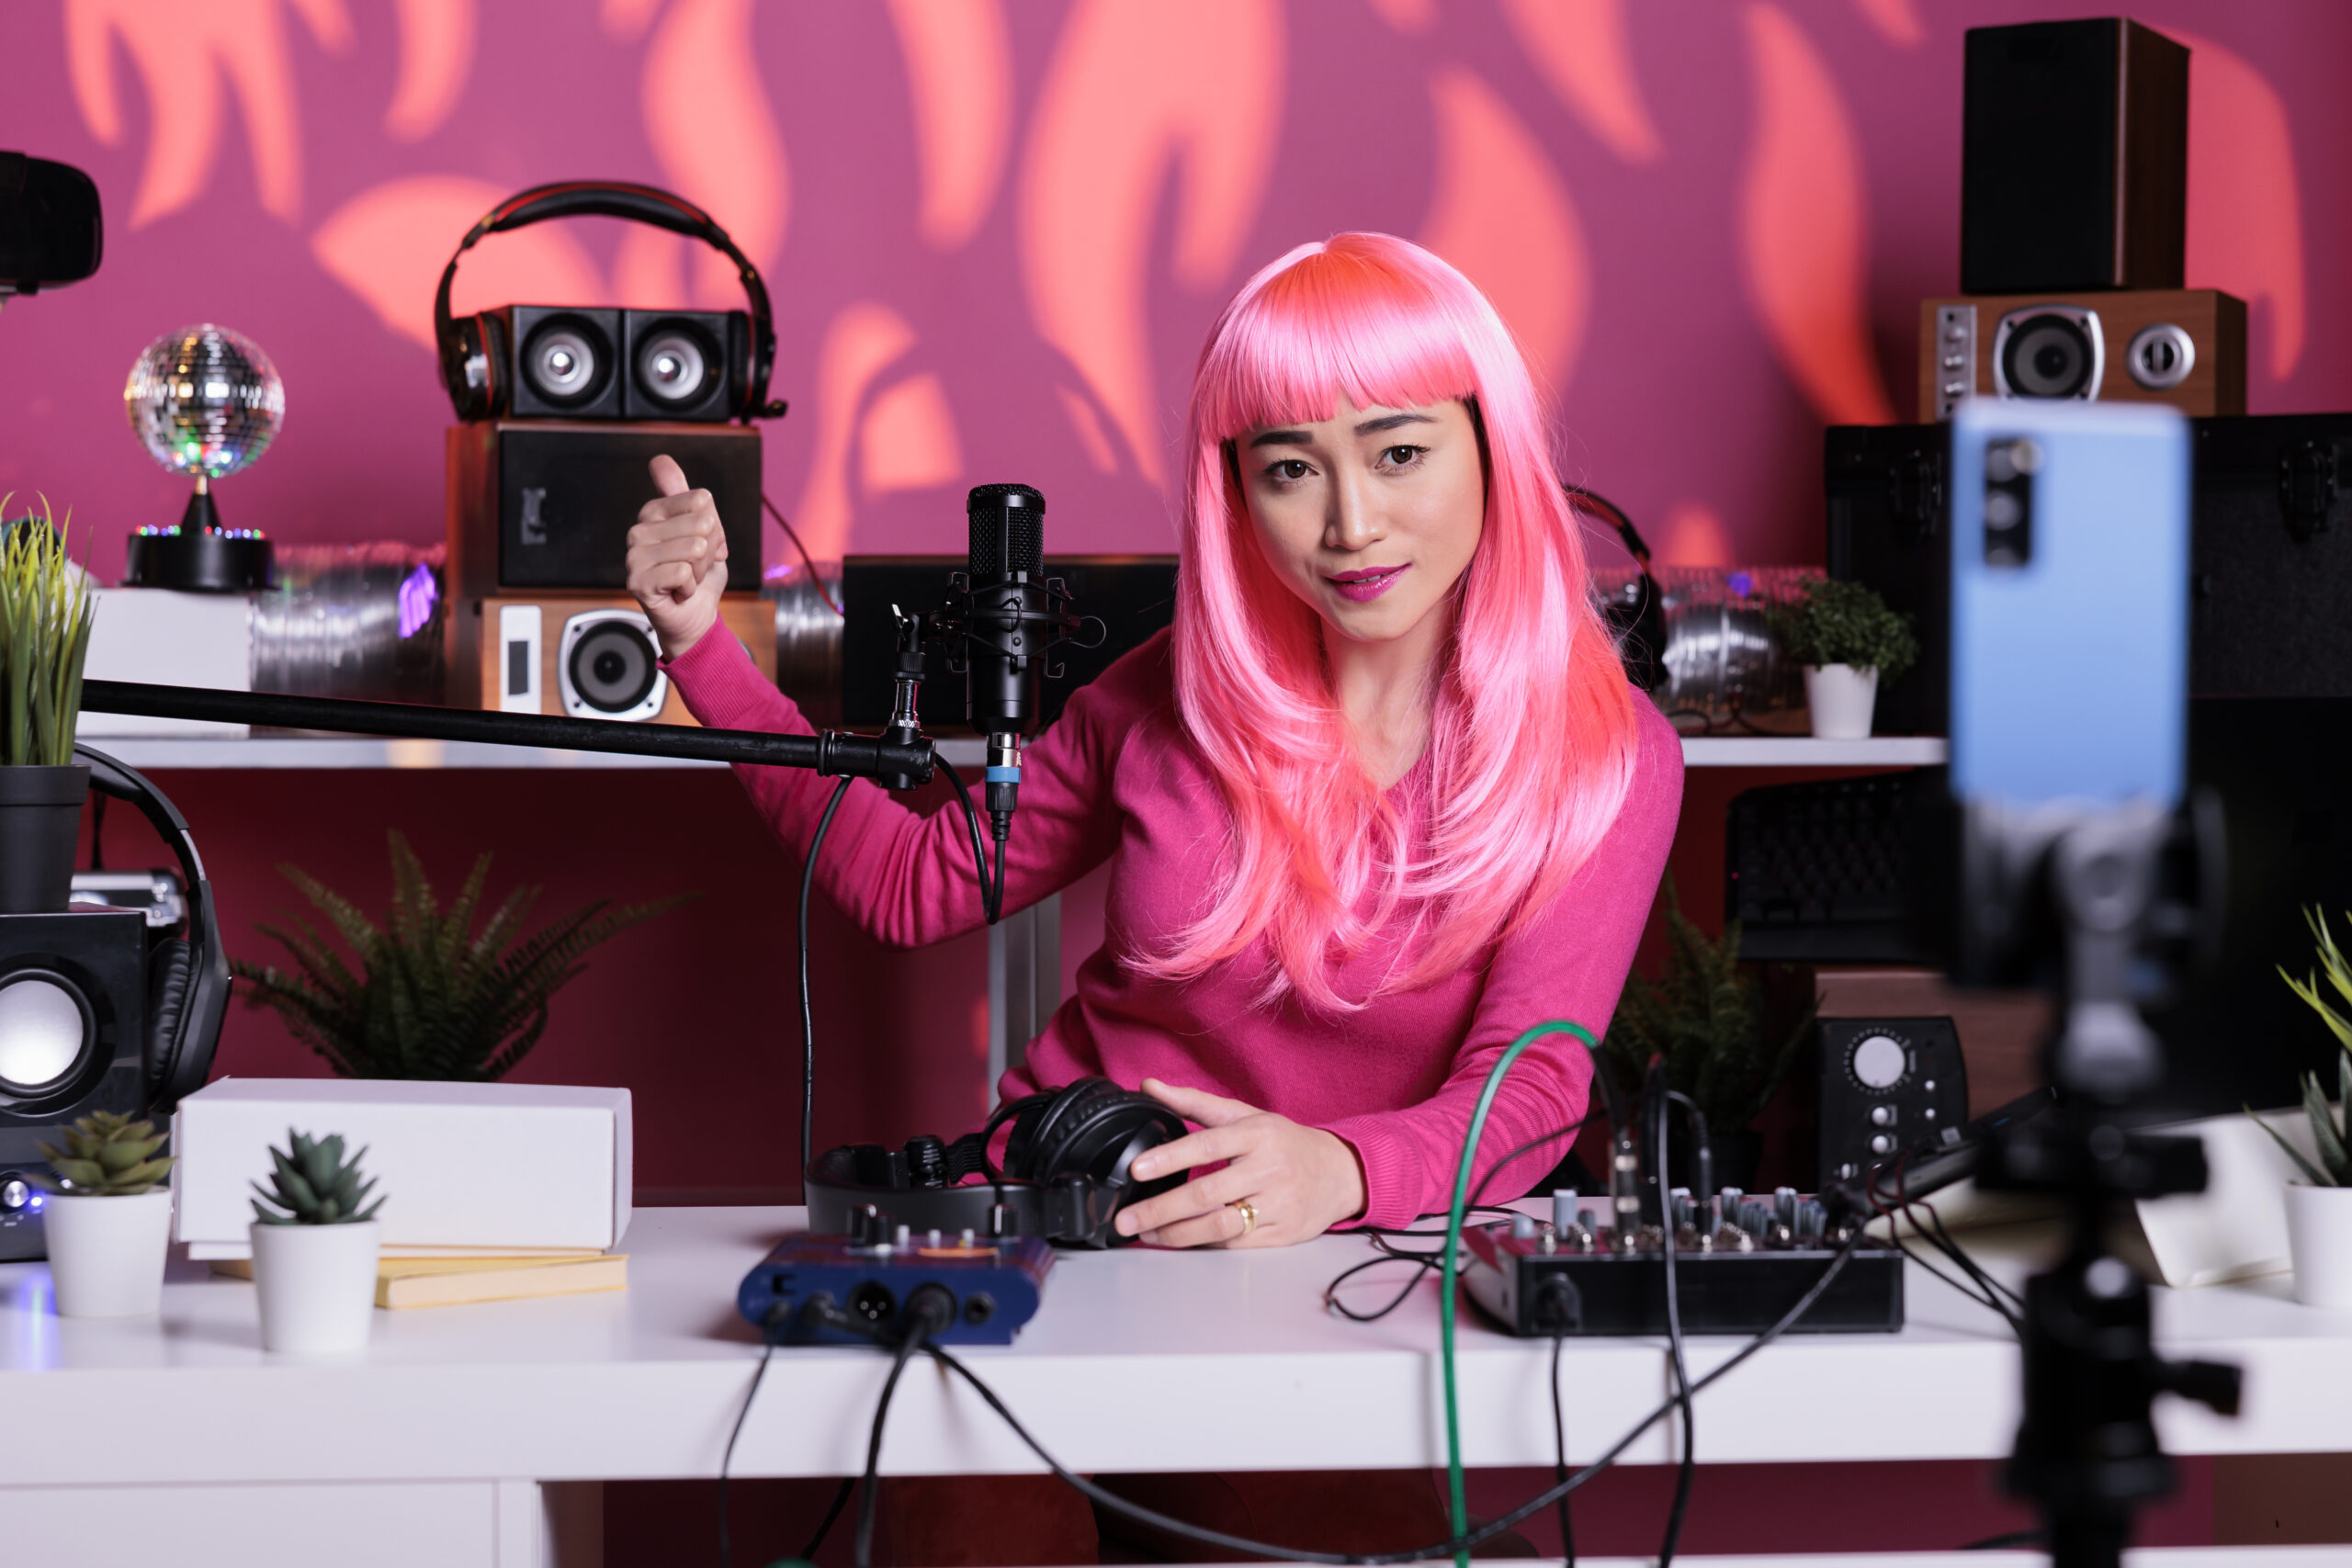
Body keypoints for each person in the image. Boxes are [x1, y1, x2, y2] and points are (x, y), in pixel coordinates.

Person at [625, 231, 1680, 1252]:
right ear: (1237, 494)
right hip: (1077, 1223)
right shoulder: (1165, 691)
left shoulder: (1605, 754)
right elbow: (909, 886)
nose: (1352, 524)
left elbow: (1530, 1091)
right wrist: (700, 645)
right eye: (1290, 469)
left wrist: (1341, 1171)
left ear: (1491, 449)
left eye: (1399, 453)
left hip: (1355, 1251)